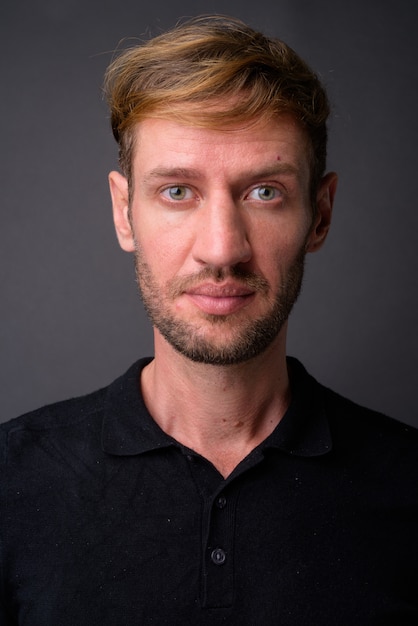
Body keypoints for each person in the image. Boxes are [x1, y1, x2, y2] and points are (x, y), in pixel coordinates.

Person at [1, 15, 417, 626]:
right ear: (124, 212)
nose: (222, 250)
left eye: (264, 192)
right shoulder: (12, 483)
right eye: (177, 191)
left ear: (320, 215)